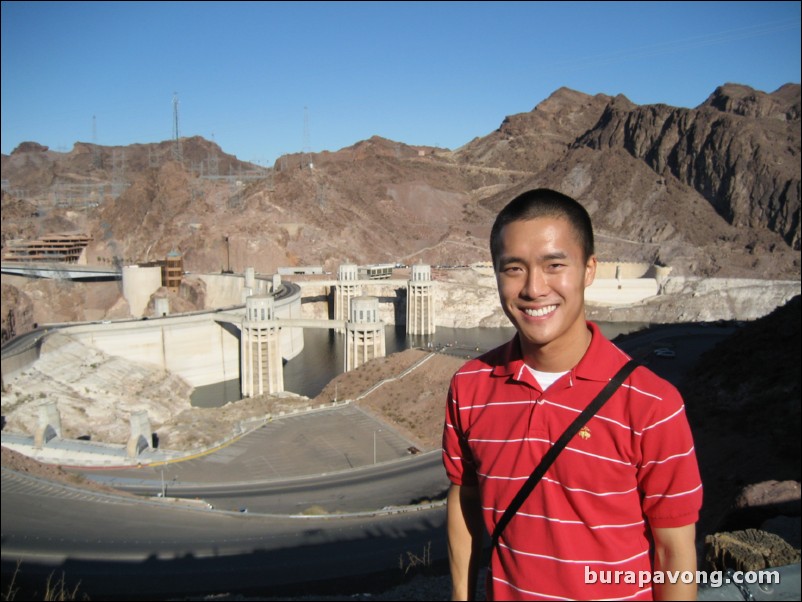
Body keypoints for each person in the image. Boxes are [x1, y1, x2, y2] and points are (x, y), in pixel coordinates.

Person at [442, 188, 702, 600]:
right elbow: (465, 498)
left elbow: (675, 553)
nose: (534, 288)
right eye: (513, 269)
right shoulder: (470, 386)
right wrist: (461, 594)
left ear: (588, 269)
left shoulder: (653, 405)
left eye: (555, 265)